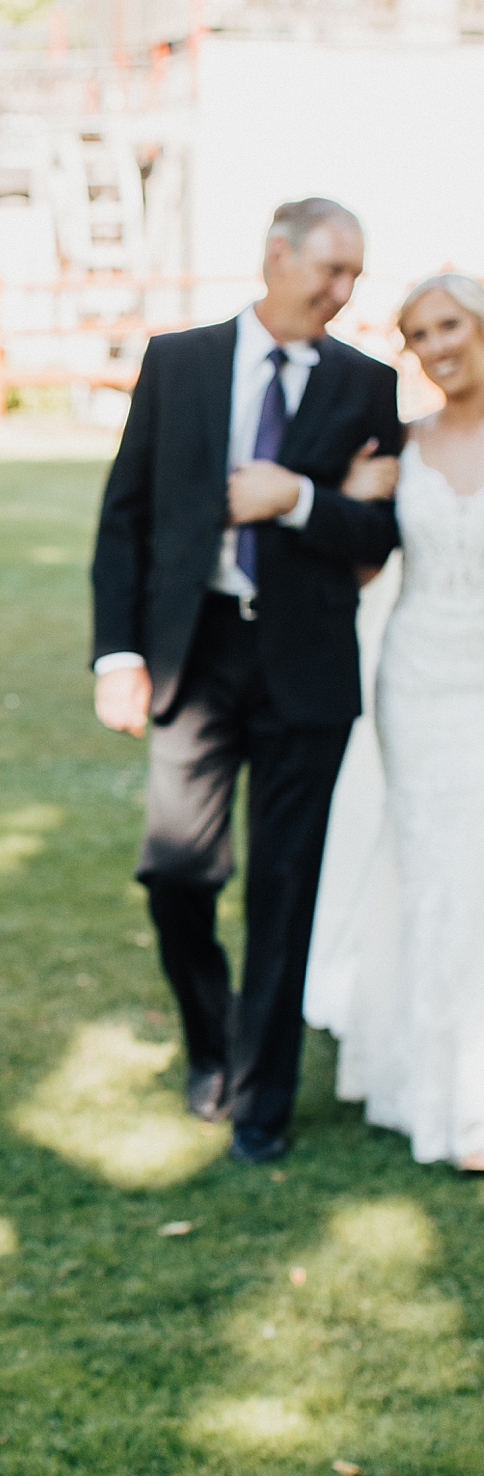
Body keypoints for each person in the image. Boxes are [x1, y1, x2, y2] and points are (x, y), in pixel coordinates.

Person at [90, 197, 401, 1163]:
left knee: (285, 885)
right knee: (176, 871)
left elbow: (380, 535)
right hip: (197, 653)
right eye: (331, 270)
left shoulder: (368, 385)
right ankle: (213, 1042)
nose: (343, 292)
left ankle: (263, 1099)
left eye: (354, 276)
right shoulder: (178, 361)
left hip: (308, 665)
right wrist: (119, 655)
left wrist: (298, 499)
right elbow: (126, 514)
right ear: (277, 255)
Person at [315, 273, 484, 1168]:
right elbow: (363, 568)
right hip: (417, 682)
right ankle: (440, 1091)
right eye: (419, 335)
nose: (436, 346)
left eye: (448, 324)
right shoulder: (405, 446)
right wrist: (351, 500)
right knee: (435, 872)